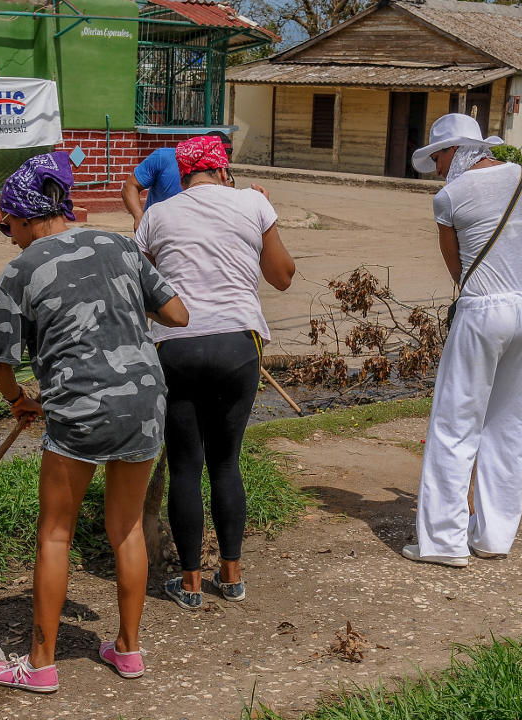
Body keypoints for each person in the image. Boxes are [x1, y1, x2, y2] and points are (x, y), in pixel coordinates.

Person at [0, 152, 188, 690]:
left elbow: (1, 364)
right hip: (145, 402)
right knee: (127, 528)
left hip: (79, 407)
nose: (9, 237)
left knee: (55, 534)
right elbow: (177, 314)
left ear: (26, 216)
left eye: (7, 225)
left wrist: (19, 401)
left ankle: (40, 665)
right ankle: (128, 650)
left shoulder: (19, 271)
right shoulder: (121, 245)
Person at [401, 114, 522, 568]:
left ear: (454, 150)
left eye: (438, 158)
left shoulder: (448, 197)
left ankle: (443, 542)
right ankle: (493, 536)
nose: (438, 169)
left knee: (455, 425)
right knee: (508, 425)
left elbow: (458, 271)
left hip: (482, 311)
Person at [134, 135, 295, 609]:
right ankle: (231, 576)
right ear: (223, 170)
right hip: (237, 346)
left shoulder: (157, 215)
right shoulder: (253, 203)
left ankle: (189, 585)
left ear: (183, 175)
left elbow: (142, 288)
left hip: (175, 347)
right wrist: (266, 216)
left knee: (186, 465)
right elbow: (282, 276)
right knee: (226, 462)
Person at [121, 131, 233, 232]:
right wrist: (139, 217)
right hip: (159, 231)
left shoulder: (225, 178)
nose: (223, 169)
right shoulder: (163, 158)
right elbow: (130, 186)